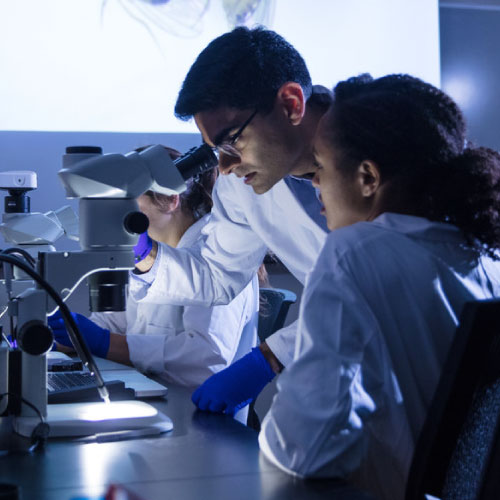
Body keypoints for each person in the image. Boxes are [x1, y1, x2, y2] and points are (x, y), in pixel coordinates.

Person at [257, 73, 500, 500]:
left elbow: (300, 450)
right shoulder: (483, 253)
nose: (314, 183)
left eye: (321, 166)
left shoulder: (353, 253)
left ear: (368, 177)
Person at [134, 26, 332, 414]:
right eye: (212, 151)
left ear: (291, 104)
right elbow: (217, 276)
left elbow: (374, 289)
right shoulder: (244, 183)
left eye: (231, 141)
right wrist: (144, 252)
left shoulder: (381, 141)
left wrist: (271, 356)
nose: (222, 167)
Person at [49, 147, 259, 388]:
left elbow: (205, 361)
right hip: (148, 389)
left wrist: (103, 342)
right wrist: (68, 336)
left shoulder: (218, 256)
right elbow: (114, 324)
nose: (113, 213)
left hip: (196, 408)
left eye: (125, 201)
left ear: (171, 199)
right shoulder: (145, 258)